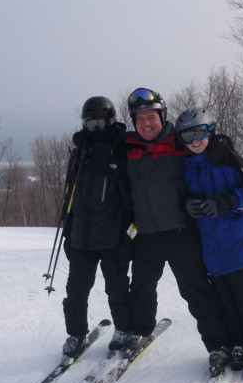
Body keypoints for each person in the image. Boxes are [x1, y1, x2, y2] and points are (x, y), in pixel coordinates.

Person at [115, 87, 233, 359]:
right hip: (145, 234)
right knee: (142, 287)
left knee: (196, 290)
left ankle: (218, 345)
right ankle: (140, 330)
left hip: (181, 232)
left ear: (162, 117)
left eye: (151, 117)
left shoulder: (181, 144)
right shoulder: (128, 148)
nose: (146, 123)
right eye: (140, 118)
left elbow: (208, 156)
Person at [175, 107, 243, 378]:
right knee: (227, 303)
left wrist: (225, 201)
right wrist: (190, 207)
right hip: (212, 249)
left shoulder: (229, 158)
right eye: (187, 136)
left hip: (240, 244)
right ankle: (239, 344)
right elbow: (182, 198)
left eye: (199, 133)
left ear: (210, 131)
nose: (194, 141)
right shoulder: (186, 166)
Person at [60, 96, 133, 361]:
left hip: (112, 235)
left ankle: (123, 329)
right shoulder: (80, 151)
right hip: (81, 234)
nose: (95, 128)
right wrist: (68, 231)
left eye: (100, 123)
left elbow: (130, 199)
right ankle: (76, 334)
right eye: (90, 123)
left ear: (110, 121)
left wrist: (129, 235)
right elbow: (70, 195)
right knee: (76, 290)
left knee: (117, 288)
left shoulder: (121, 150)